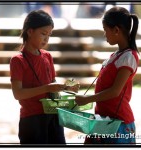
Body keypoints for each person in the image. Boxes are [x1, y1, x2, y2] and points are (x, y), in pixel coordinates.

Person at [10, 10, 79, 144]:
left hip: (53, 115)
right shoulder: (18, 60)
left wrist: (66, 88)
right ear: (30, 32)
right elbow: (18, 93)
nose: (46, 39)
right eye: (43, 34)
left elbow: (53, 84)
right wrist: (47, 88)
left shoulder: (47, 56)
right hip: (32, 120)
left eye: (49, 35)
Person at [75, 6, 139, 144]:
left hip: (118, 123)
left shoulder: (129, 57)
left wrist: (88, 99)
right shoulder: (116, 55)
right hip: (103, 119)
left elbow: (115, 91)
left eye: (106, 30)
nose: (105, 35)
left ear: (116, 30)